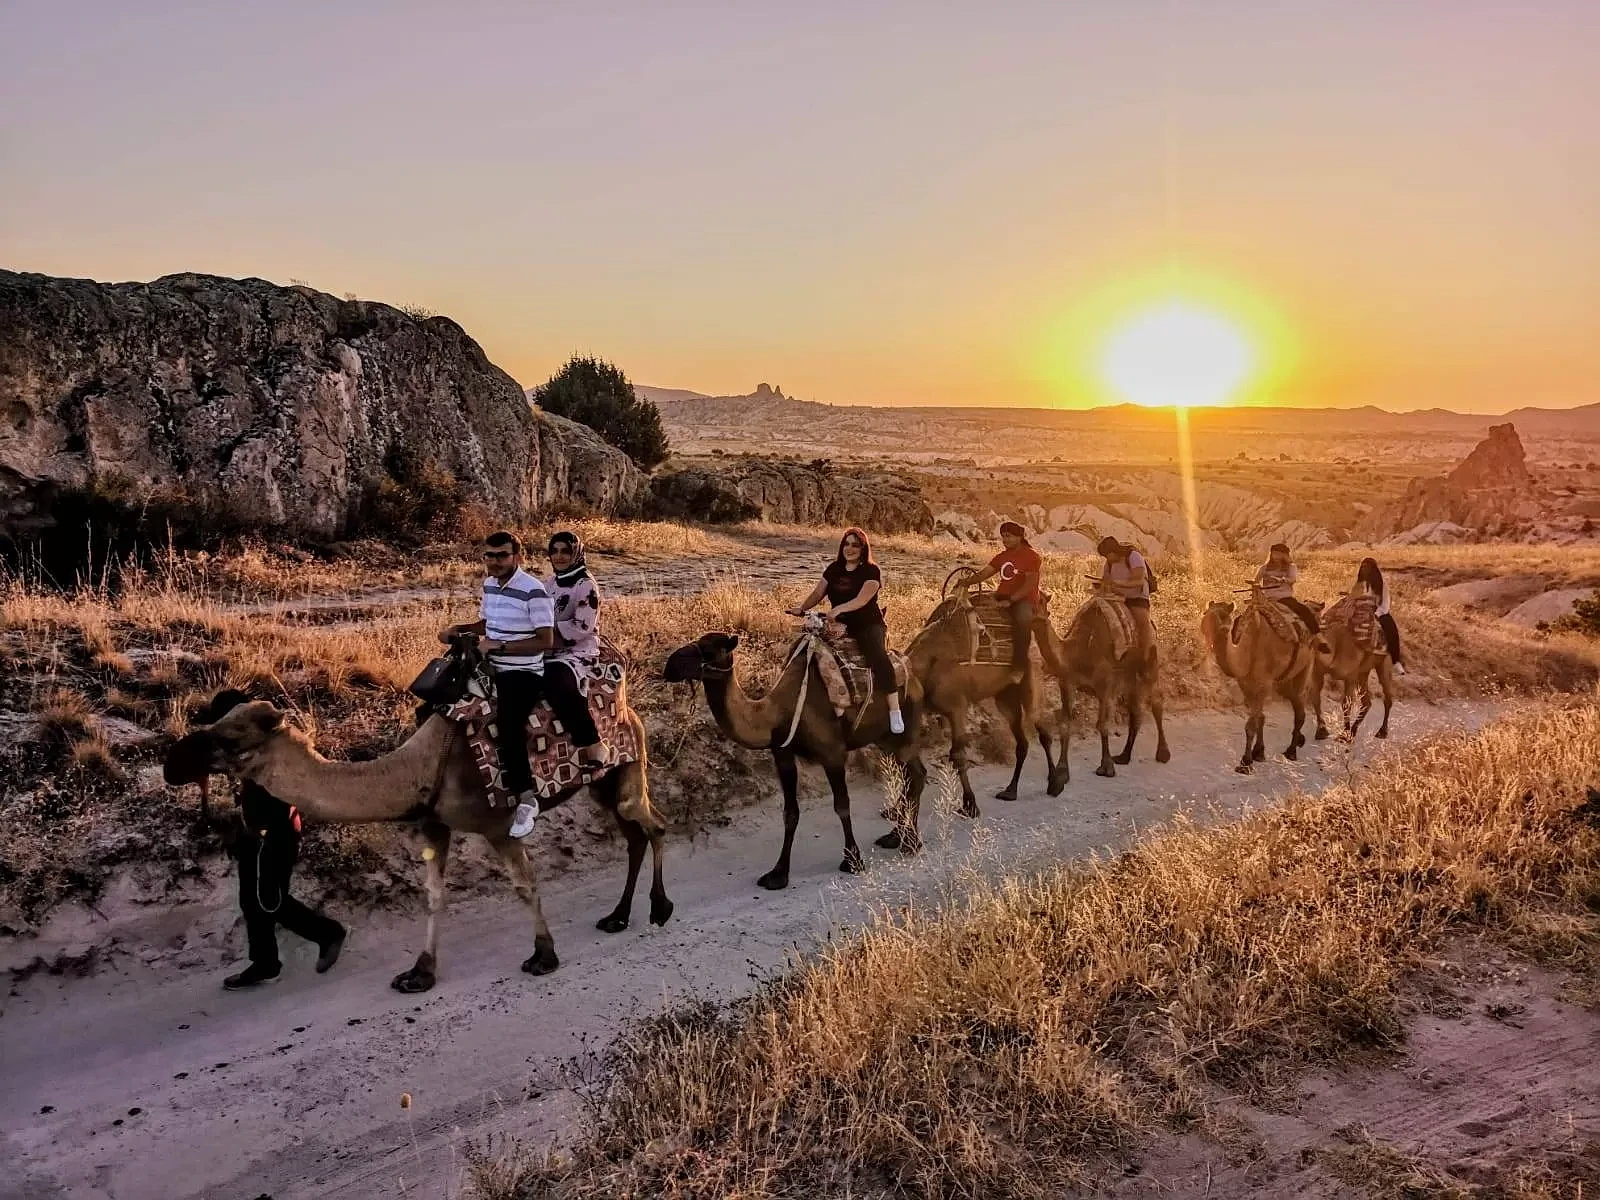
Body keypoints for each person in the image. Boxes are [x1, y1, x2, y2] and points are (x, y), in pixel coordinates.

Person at [197, 689, 345, 991]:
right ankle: (265, 964)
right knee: (250, 902)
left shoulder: (276, 748)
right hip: (251, 832)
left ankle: (329, 934)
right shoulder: (244, 748)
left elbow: (289, 794)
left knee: (270, 900)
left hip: (280, 832)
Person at [441, 530, 555, 840]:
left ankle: (527, 798)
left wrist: (500, 648)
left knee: (507, 726)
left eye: (502, 555)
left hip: (523, 670)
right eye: (489, 556)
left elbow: (545, 641)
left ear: (518, 557)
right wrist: (460, 629)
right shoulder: (490, 585)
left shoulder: (534, 591)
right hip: (489, 664)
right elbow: (487, 624)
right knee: (438, 694)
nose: (495, 561)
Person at [787, 527, 905, 734]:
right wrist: (802, 608)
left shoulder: (871, 571)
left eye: (855, 545)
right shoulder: (834, 569)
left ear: (863, 548)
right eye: (846, 544)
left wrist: (838, 609)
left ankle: (894, 710)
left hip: (867, 624)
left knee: (876, 656)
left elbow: (862, 599)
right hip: (837, 622)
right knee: (806, 647)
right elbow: (818, 592)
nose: (849, 548)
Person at [542, 530, 608, 767]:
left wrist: (545, 639)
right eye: (554, 551)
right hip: (547, 644)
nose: (559, 557)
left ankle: (593, 742)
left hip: (578, 650)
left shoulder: (586, 585)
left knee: (557, 679)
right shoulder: (551, 582)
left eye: (565, 551)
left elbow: (582, 627)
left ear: (576, 554)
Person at [966, 520, 1043, 679]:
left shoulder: (1031, 556)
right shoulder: (1003, 556)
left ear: (1019, 537)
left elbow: (1030, 583)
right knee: (971, 605)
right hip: (1001, 594)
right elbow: (985, 573)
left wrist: (1011, 600)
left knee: (1022, 622)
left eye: (1009, 536)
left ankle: (1019, 667)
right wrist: (965, 582)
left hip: (1023, 599)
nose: (1005, 540)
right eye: (1003, 537)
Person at [1097, 536, 1155, 659]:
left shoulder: (1133, 556)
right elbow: (1106, 580)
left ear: (1113, 551)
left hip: (1137, 597)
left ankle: (1147, 657)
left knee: (1142, 624)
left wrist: (1117, 583)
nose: (1107, 559)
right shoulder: (1109, 563)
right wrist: (1103, 585)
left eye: (1108, 555)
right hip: (1116, 596)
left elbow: (1138, 581)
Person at [1255, 542, 1320, 633]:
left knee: (1305, 612)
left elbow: (1292, 579)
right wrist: (1257, 590)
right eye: (1274, 553)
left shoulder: (1291, 567)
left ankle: (1319, 638)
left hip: (1284, 598)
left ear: (1285, 555)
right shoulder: (1264, 568)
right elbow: (1256, 582)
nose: (1276, 556)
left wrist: (1282, 580)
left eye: (1279, 554)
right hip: (1268, 599)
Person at [1356, 557, 1407, 675]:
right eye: (1362, 567)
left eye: (1367, 567)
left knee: (1391, 630)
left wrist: (1376, 614)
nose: (1364, 569)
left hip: (1379, 611)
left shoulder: (1381, 583)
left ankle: (1395, 662)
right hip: (1362, 610)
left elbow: (1385, 604)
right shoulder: (1359, 583)